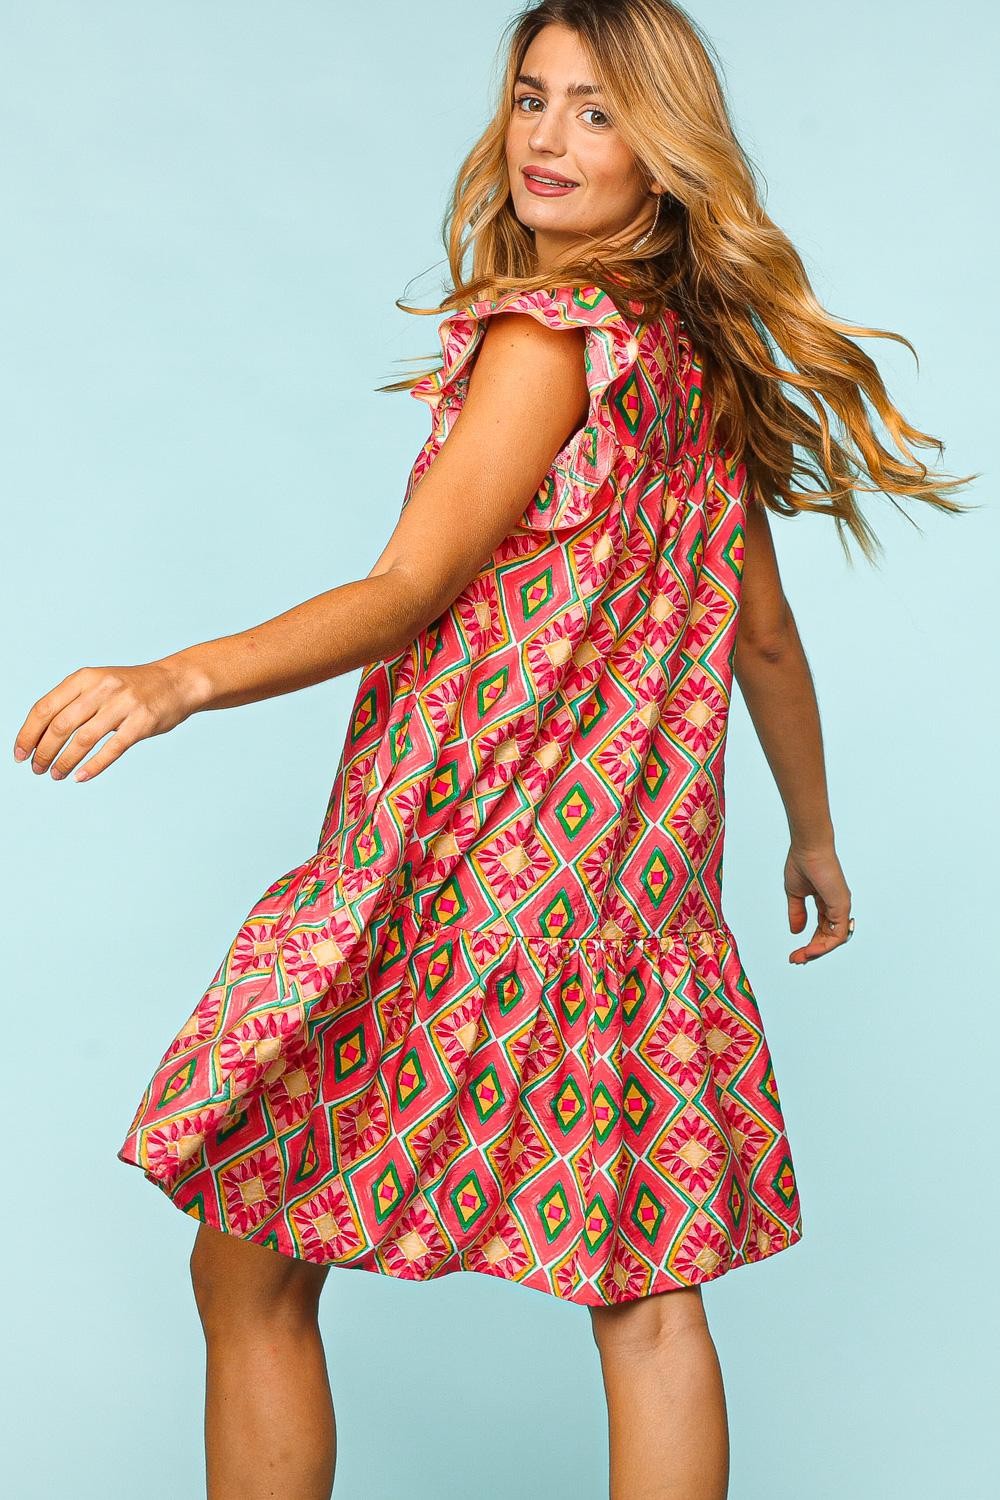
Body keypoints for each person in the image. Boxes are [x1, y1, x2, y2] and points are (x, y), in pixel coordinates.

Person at [13, 3, 974, 1498]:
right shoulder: (693, 364)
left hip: (456, 886)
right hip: (628, 908)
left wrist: (178, 677)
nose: (549, 137)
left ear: (664, 151)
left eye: (597, 111)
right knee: (649, 1301)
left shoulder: (545, 339)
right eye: (534, 99)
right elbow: (764, 636)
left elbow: (410, 590)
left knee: (248, 1266)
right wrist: (813, 832)